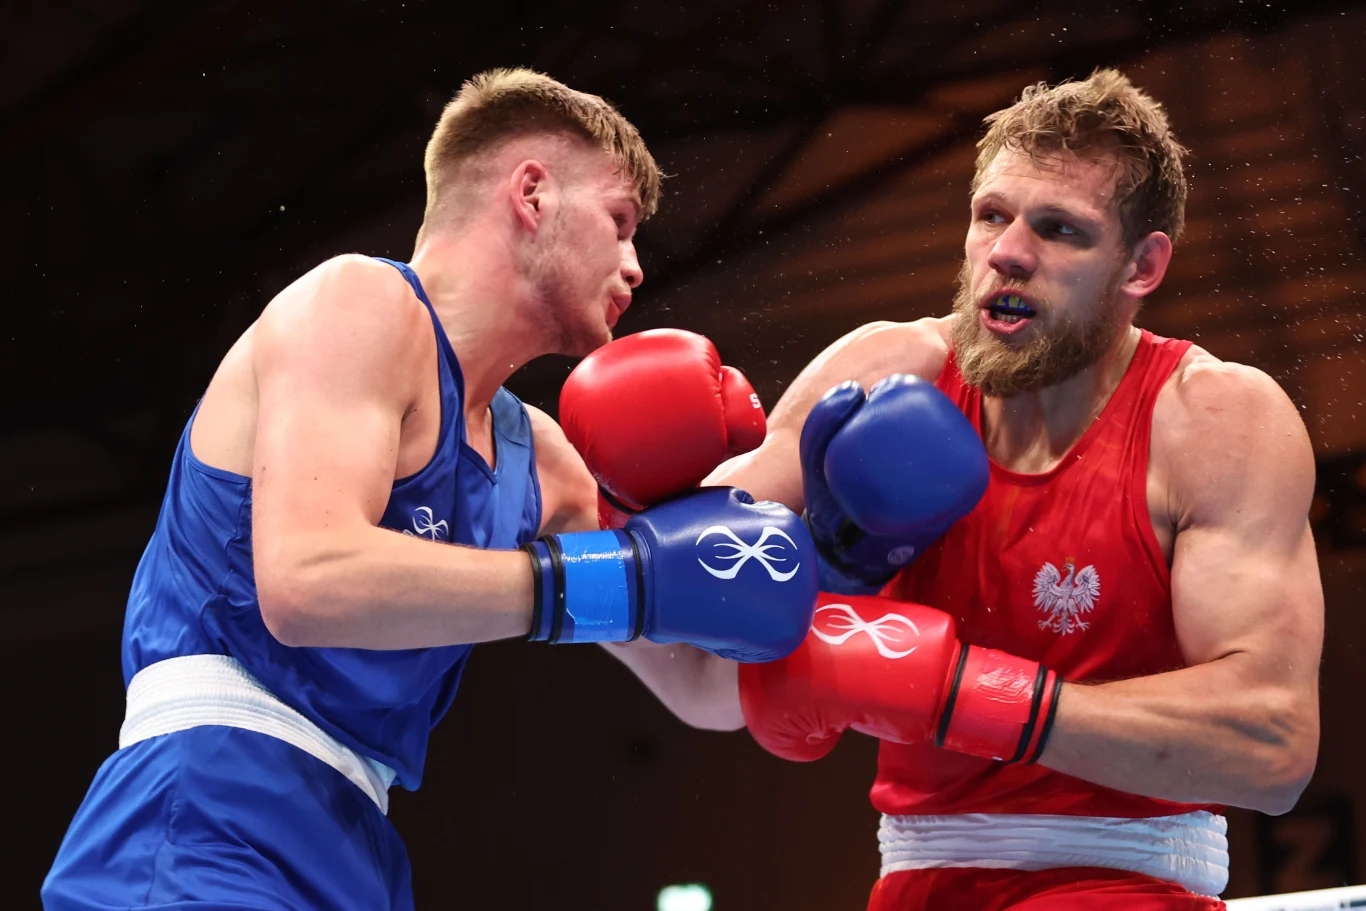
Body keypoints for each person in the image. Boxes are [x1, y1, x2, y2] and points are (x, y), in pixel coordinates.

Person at [43, 68, 820, 911]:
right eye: (620, 222)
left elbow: (697, 681)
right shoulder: (357, 304)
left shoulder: (544, 461)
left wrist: (841, 574)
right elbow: (306, 580)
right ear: (533, 193)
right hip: (205, 804)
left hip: (357, 843)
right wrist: (598, 580)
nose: (635, 265)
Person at [604, 69, 1324, 909]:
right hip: (914, 880)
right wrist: (619, 509)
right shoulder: (878, 375)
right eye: (991, 216)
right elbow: (692, 653)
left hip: (1124, 881)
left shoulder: (1211, 420)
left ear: (1143, 264)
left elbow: (1272, 744)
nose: (1008, 252)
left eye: (1059, 229)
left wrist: (962, 695)